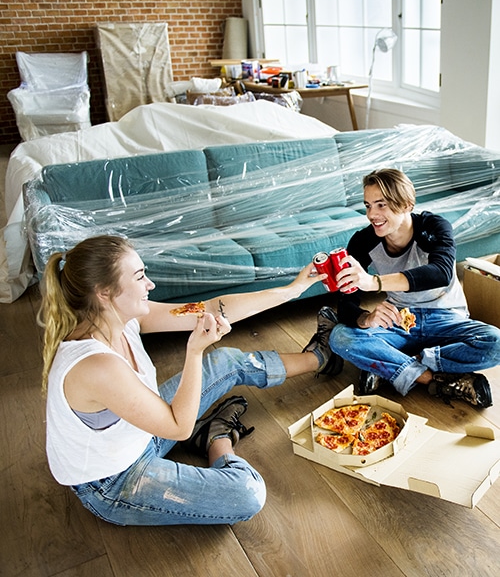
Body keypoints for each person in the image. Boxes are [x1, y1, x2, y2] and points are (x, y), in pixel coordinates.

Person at [38, 234, 338, 527]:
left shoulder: (122, 318)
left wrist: (293, 290)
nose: (150, 285)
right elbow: (179, 427)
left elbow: (210, 309)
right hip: (115, 480)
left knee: (225, 361)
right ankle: (215, 437)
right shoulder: (96, 366)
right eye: (140, 276)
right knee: (247, 493)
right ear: (103, 292)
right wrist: (194, 351)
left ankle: (320, 357)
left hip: (140, 432)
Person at [324, 168, 500, 407]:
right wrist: (365, 318)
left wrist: (374, 282)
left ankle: (394, 365)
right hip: (400, 320)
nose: (371, 215)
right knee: (341, 337)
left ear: (407, 205)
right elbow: (346, 302)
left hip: (447, 318)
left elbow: (440, 272)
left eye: (381, 205)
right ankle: (433, 378)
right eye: (367, 205)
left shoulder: (435, 226)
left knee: (495, 341)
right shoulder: (363, 240)